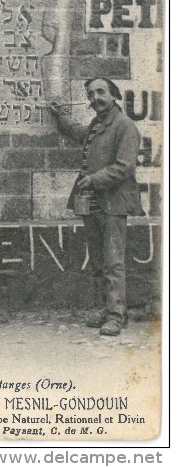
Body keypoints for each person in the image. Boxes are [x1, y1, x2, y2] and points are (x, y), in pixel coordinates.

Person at [49, 77, 142, 336]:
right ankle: (108, 310)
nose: (95, 98)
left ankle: (116, 316)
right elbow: (79, 132)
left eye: (101, 92)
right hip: (92, 204)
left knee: (113, 263)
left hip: (114, 204)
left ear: (114, 95)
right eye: (90, 94)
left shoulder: (125, 126)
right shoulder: (97, 124)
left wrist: (93, 179)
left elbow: (125, 167)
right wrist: (61, 117)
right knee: (99, 261)